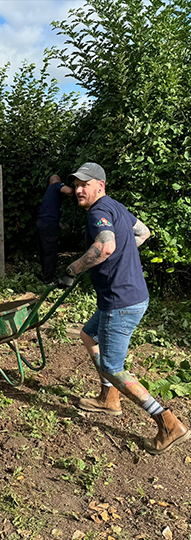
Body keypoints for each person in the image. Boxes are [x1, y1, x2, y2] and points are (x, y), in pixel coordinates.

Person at [62, 162, 189, 454]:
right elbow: (143, 233)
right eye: (77, 184)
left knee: (112, 367)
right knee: (87, 335)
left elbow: (104, 247)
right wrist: (121, 254)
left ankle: (168, 422)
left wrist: (72, 269)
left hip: (120, 303)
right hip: (129, 296)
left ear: (100, 186)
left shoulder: (97, 212)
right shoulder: (115, 206)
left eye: (85, 184)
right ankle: (109, 399)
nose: (79, 189)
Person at [37, 174, 73, 283]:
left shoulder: (48, 193)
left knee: (44, 251)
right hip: (49, 224)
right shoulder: (55, 186)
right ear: (57, 181)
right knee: (51, 251)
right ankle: (49, 279)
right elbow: (68, 191)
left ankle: (45, 275)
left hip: (41, 223)